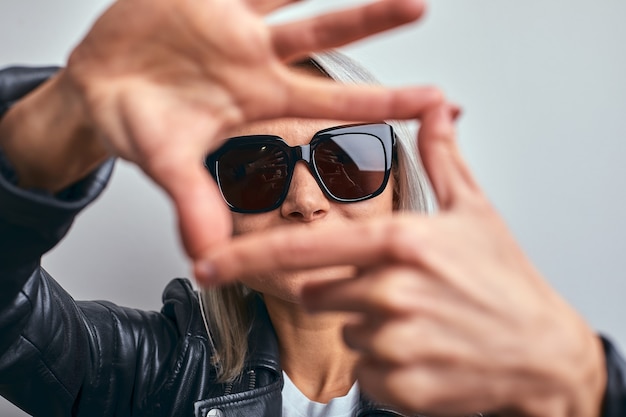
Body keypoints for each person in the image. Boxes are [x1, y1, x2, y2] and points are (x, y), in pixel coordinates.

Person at [1, 2, 625, 417]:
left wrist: (595, 387)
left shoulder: (493, 392)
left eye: (346, 161)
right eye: (254, 172)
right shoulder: (154, 372)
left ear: (399, 191)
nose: (305, 200)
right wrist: (50, 130)